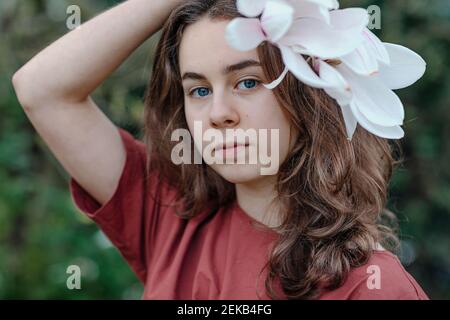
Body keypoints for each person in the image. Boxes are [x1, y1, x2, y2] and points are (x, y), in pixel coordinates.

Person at [12, 0, 429, 300]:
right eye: (198, 89)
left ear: (311, 93)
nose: (217, 114)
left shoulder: (372, 286)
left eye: (247, 82)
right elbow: (41, 90)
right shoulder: (169, 215)